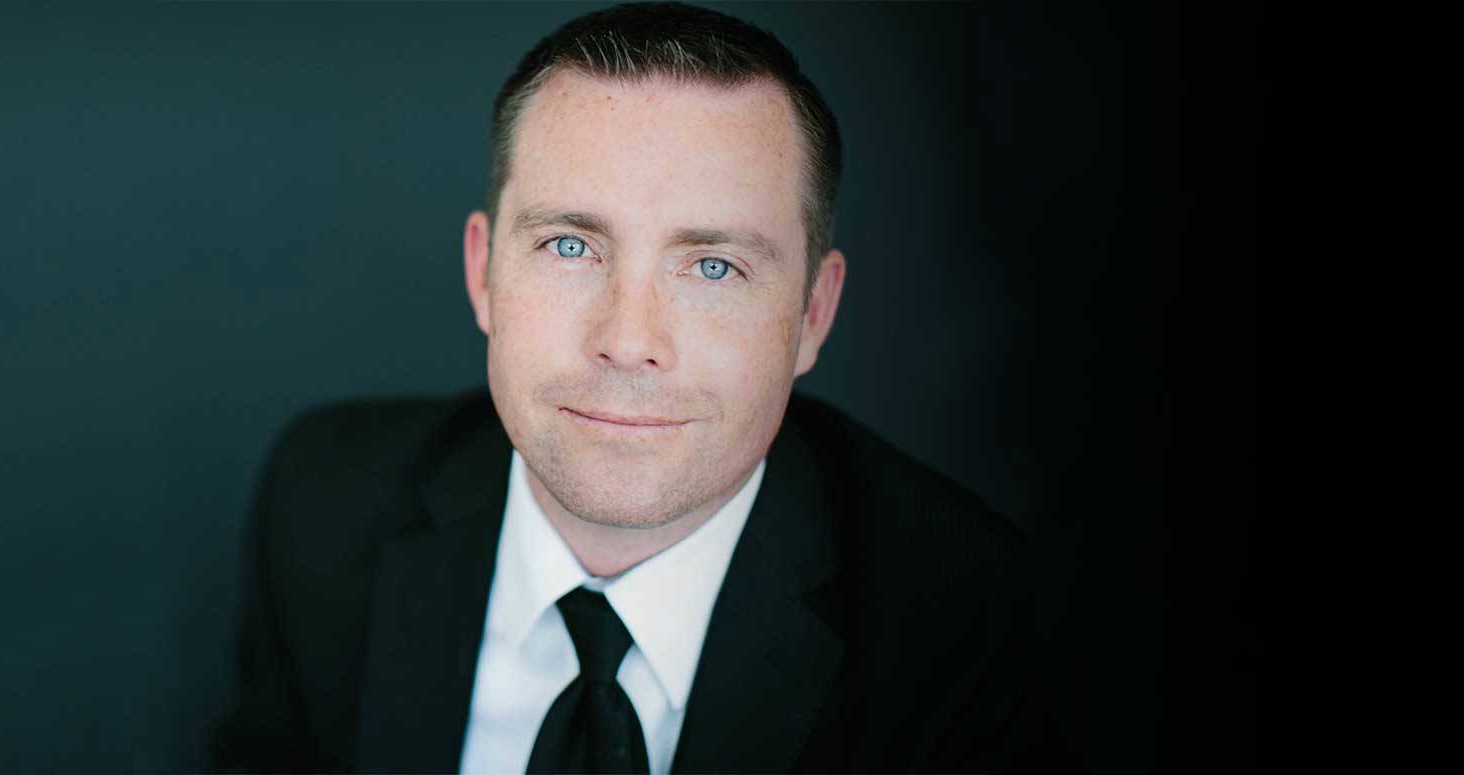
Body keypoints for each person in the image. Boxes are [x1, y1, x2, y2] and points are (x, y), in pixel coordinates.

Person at [209, 3, 1059, 772]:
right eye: (570, 246)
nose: (627, 340)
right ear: (483, 271)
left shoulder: (966, 624)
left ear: (812, 313)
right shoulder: (324, 508)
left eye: (713, 266)